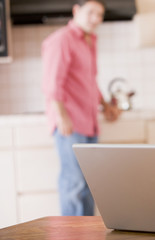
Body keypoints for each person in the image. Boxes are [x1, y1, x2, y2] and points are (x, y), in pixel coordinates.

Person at [42, 0, 120, 216]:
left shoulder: (90, 40)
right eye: (91, 12)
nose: (96, 19)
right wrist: (62, 116)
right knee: (74, 184)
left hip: (89, 123)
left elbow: (90, 80)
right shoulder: (61, 41)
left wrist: (105, 106)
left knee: (88, 186)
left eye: (100, 14)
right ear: (76, 11)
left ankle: (87, 235)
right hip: (70, 123)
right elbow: (51, 83)